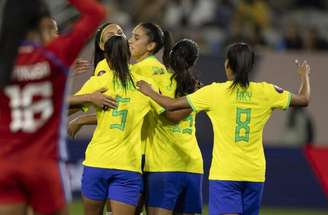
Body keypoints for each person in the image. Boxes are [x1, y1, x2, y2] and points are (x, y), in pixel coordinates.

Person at [137, 42, 311, 215]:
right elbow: (304, 100)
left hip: (226, 173)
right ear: (250, 66)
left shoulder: (215, 92)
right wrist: (304, 76)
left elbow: (171, 105)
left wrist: (149, 91)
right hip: (255, 174)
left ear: (227, 64)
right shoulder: (268, 91)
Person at [0, 0, 106, 214]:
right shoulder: (56, 55)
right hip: (44, 165)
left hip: (6, 163)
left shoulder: (4, 62)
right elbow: (96, 13)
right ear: (41, 22)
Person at [73, 35, 163, 215]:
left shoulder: (99, 82)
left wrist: (90, 99)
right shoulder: (145, 85)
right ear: (129, 54)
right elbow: (167, 112)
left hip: (97, 162)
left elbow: (65, 104)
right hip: (128, 167)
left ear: (106, 58)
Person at [142, 39, 203, 215]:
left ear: (170, 56)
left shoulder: (153, 83)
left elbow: (172, 116)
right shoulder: (197, 87)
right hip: (192, 165)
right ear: (193, 62)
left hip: (164, 164)